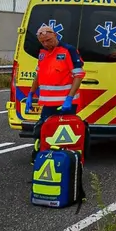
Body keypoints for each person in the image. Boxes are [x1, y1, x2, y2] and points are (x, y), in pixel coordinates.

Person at [25, 25, 86, 163]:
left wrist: (69, 98)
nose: (46, 44)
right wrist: (31, 93)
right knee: (43, 132)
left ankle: (65, 162)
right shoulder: (43, 53)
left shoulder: (68, 51)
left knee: (64, 136)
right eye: (43, 42)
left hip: (65, 104)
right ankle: (42, 159)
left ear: (55, 35)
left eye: (48, 40)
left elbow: (79, 75)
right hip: (48, 104)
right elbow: (38, 75)